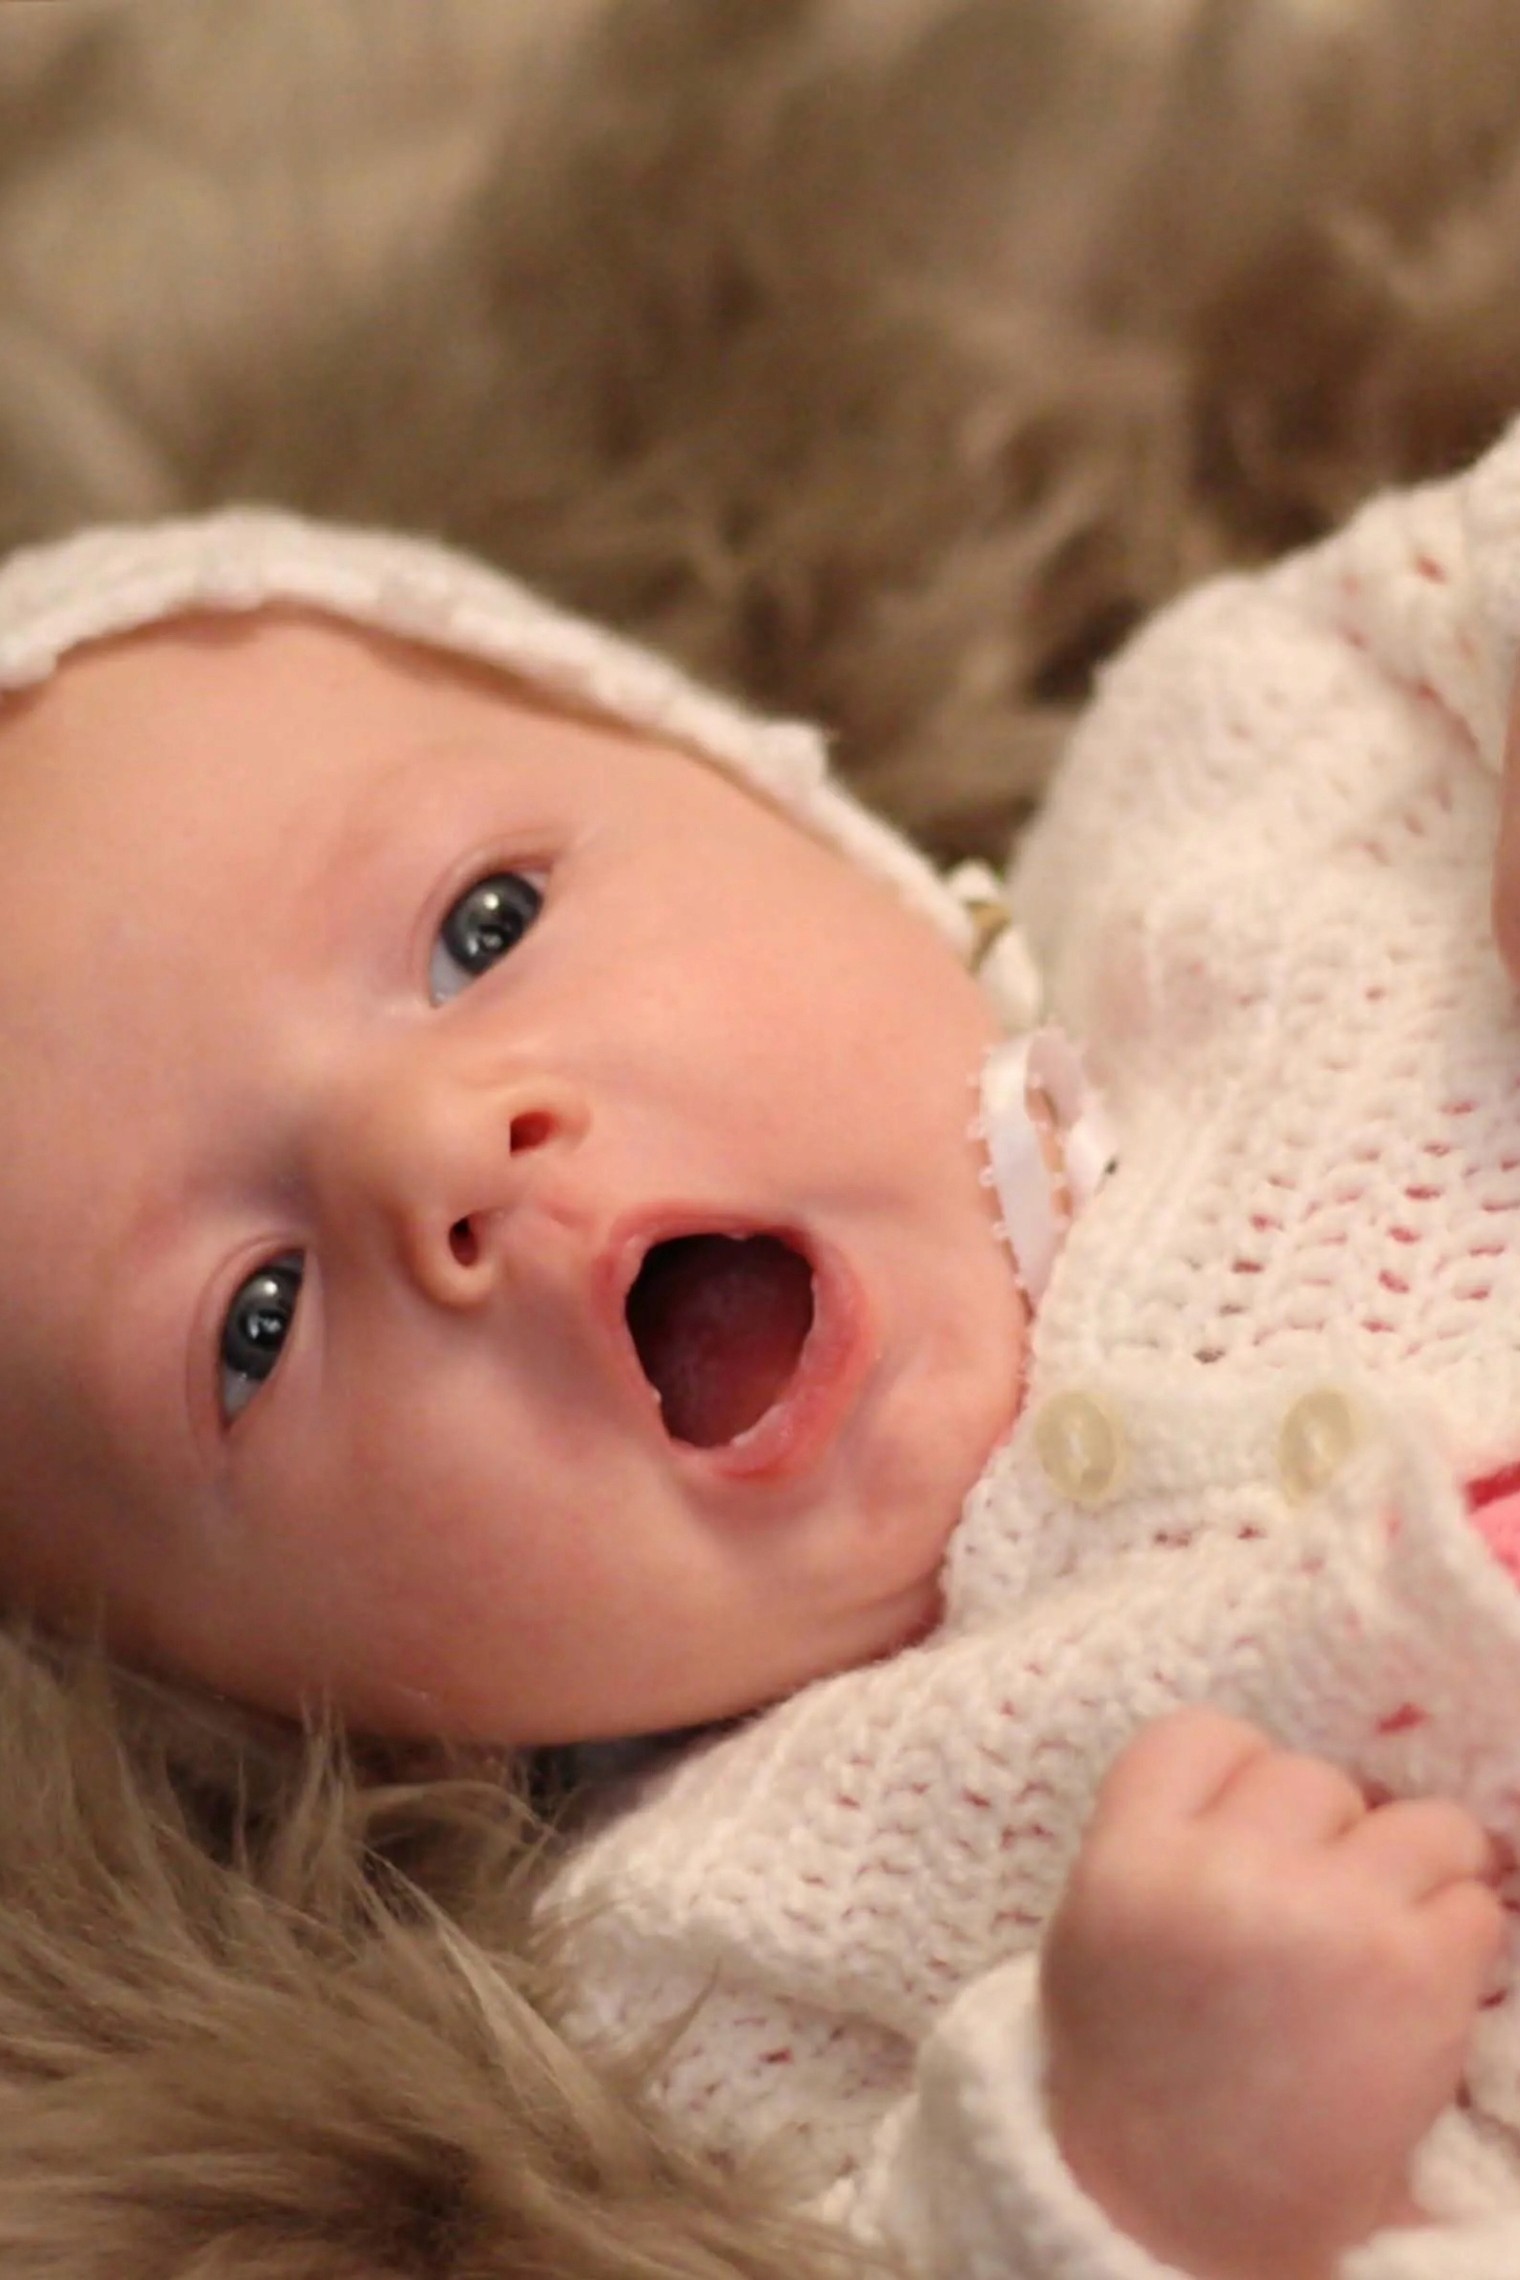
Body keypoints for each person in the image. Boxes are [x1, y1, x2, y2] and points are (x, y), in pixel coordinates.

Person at [1, 425, 1520, 2280]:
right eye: (258, 1321)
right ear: (268, 1689)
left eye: (486, 928)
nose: (434, 1150)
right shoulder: (701, 1962)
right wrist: (1150, 2175)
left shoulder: (1239, 816)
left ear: (782, 808)